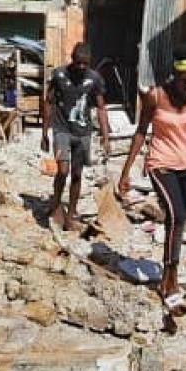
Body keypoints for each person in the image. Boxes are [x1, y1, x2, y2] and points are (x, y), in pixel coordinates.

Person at [117, 41, 186, 316]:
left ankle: (169, 271)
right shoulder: (155, 96)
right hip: (160, 164)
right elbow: (141, 132)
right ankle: (171, 278)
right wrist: (126, 170)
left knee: (180, 220)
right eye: (184, 81)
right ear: (175, 75)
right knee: (176, 216)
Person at [42, 42, 111, 231]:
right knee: (63, 170)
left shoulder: (94, 79)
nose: (81, 67)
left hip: (83, 133)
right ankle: (55, 202)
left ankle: (71, 212)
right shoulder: (59, 75)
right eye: (79, 63)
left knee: (77, 174)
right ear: (72, 59)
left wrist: (106, 137)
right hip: (61, 129)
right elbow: (48, 102)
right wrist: (44, 132)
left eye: (85, 64)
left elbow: (101, 108)